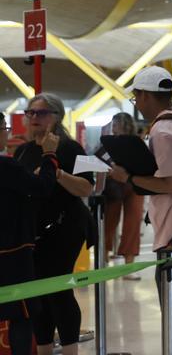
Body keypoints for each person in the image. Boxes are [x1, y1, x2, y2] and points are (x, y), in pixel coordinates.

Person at [107, 67, 172, 355]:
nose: (137, 105)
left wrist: (127, 178)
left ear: (144, 95)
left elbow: (171, 183)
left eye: (136, 98)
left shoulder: (163, 130)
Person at [13, 94, 94, 355]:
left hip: (65, 228)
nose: (34, 118)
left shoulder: (70, 148)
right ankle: (45, 348)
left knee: (59, 291)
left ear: (56, 117)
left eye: (41, 113)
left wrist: (55, 172)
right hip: (33, 231)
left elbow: (86, 187)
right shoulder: (23, 150)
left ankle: (70, 348)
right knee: (36, 293)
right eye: (31, 113)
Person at [1, 112, 60, 355]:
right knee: (21, 314)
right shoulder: (5, 165)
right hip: (12, 252)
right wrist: (49, 155)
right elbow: (43, 187)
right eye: (3, 127)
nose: (6, 131)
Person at [98, 112, 144, 277]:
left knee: (133, 223)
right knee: (109, 223)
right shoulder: (107, 142)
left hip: (135, 184)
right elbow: (100, 159)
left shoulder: (136, 142)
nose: (114, 127)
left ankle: (128, 268)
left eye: (116, 124)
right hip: (114, 187)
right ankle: (102, 260)